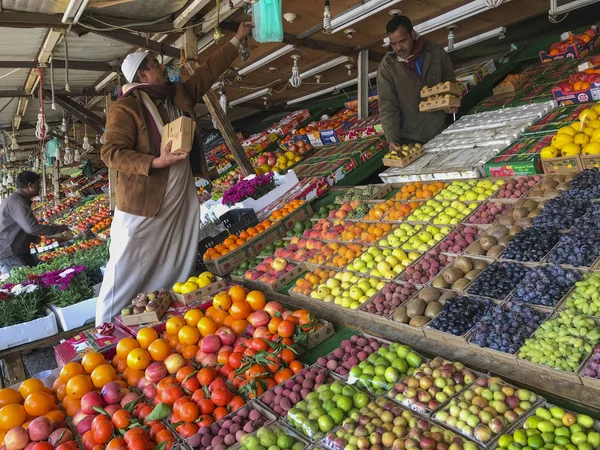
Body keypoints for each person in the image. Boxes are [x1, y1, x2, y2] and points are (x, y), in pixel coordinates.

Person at [97, 22, 254, 325]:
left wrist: (236, 40)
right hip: (145, 198)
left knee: (180, 245)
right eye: (156, 65)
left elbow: (207, 73)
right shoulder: (126, 108)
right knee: (130, 259)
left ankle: (172, 303)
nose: (163, 67)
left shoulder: (176, 94)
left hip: (179, 189)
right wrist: (155, 161)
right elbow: (111, 154)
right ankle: (106, 323)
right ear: (143, 75)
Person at [377, 15, 457, 149]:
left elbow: (449, 81)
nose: (398, 48)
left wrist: (452, 102)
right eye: (393, 43)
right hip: (410, 138)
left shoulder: (435, 51)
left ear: (413, 34)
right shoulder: (387, 67)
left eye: (402, 41)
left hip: (440, 130)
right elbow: (388, 106)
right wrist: (391, 138)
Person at [0, 171, 69, 274]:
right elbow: (32, 228)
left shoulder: (16, 199)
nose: (40, 187)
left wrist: (31, 238)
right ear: (30, 185)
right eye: (38, 183)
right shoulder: (18, 201)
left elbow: (18, 225)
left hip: (17, 250)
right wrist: (58, 229)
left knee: (42, 273)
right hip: (10, 253)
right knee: (25, 283)